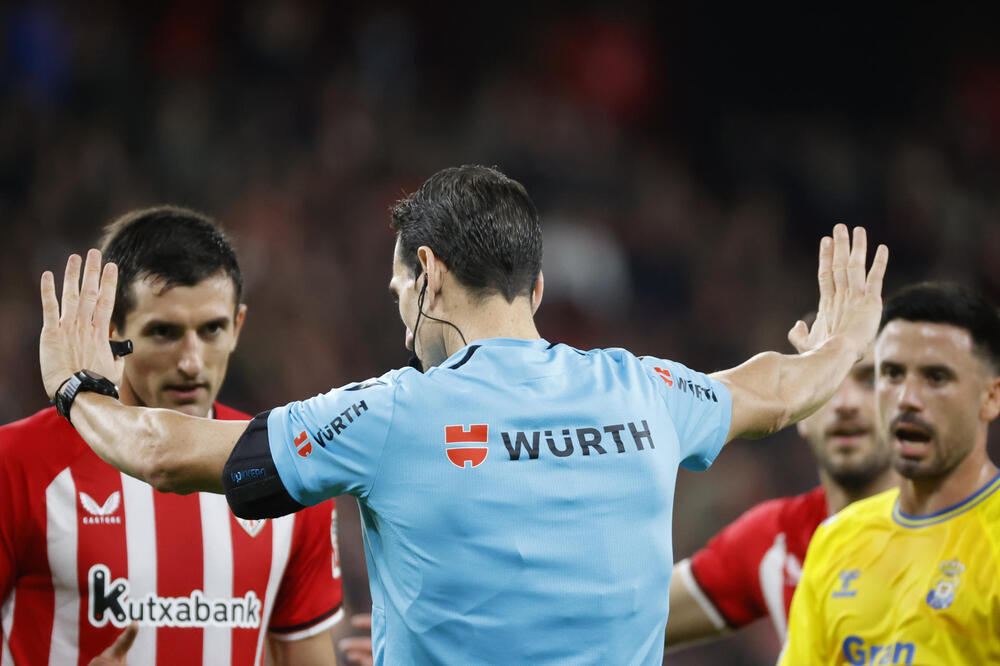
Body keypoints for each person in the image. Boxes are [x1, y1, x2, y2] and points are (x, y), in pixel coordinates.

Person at [37, 166, 888, 665]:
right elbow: (777, 392)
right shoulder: (649, 394)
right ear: (537, 289)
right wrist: (843, 345)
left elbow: (163, 452)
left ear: (430, 276)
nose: (397, 301)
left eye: (401, 284)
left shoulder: (389, 414)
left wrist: (78, 386)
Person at [1, 207, 343, 665]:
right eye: (163, 332)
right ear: (111, 331)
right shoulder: (17, 463)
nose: (191, 361)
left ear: (237, 326)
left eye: (211, 330)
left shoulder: (287, 469)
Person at [780, 282, 1000, 665]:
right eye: (892, 374)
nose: (906, 399)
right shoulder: (837, 540)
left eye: (936, 377)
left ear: (991, 397)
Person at [664, 348, 898, 650]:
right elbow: (627, 617)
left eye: (870, 380)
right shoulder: (776, 539)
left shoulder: (962, 530)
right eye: (826, 382)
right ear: (801, 413)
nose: (845, 403)